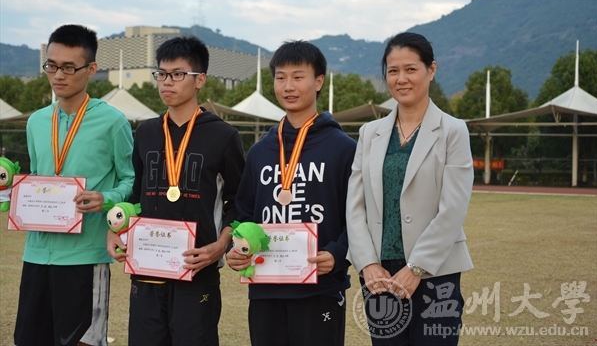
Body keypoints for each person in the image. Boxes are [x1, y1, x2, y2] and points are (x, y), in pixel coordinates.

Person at [107, 36, 245, 346]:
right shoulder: (146, 132)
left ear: (200, 80)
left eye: (178, 74)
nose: (167, 81)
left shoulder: (224, 135)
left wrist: (221, 245)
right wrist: (115, 230)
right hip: (146, 268)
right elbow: (136, 195)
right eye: (162, 74)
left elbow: (237, 201)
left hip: (196, 268)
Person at [346, 32, 474, 345]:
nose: (401, 79)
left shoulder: (453, 131)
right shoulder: (369, 133)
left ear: (431, 70)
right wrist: (367, 264)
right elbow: (355, 206)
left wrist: (416, 268)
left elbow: (453, 208)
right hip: (379, 277)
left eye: (411, 69)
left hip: (436, 272)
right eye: (393, 71)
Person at [226, 41, 356, 346]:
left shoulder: (344, 149)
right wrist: (237, 245)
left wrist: (338, 254)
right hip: (265, 288)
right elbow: (244, 213)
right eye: (280, 77)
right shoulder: (260, 151)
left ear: (319, 81)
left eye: (298, 77)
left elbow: (359, 217)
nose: (288, 86)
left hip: (320, 287)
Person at [14, 24, 135, 346]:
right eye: (51, 65)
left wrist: (106, 198)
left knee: (80, 341)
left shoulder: (113, 121)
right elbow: (36, 176)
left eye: (69, 67)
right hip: (36, 253)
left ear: (91, 69)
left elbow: (131, 179)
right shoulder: (36, 121)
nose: (58, 75)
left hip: (85, 255)